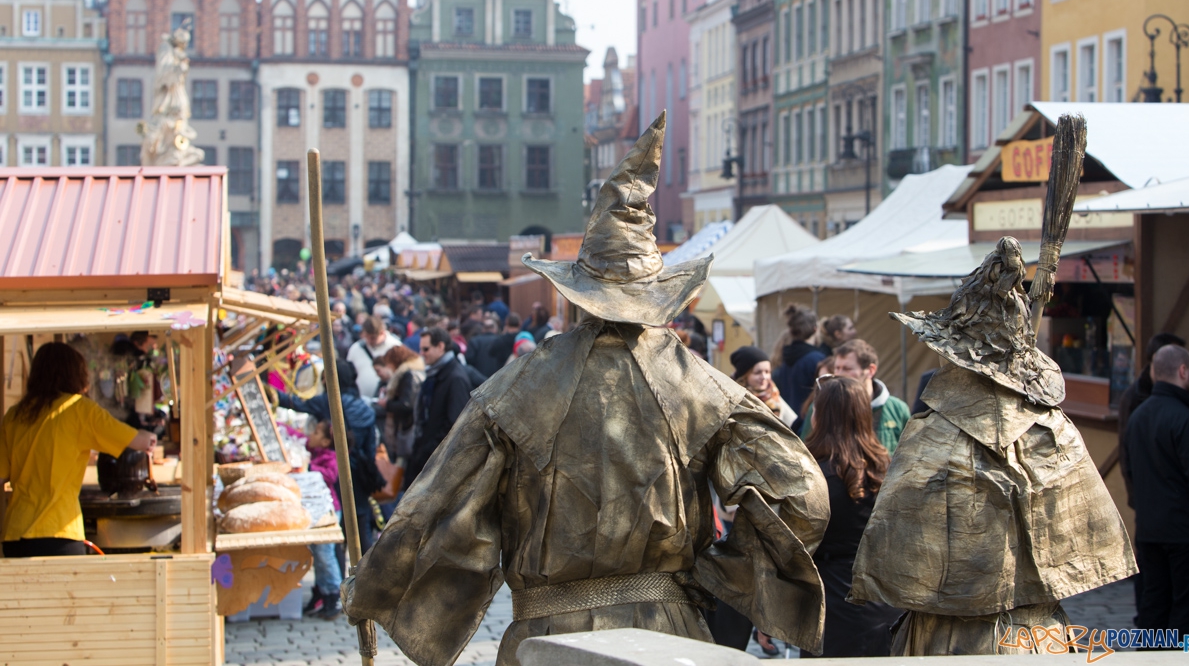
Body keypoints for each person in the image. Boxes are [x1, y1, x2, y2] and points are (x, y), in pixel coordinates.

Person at [344, 114, 830, 666]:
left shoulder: (515, 387)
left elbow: (434, 504)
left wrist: (374, 589)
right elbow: (805, 497)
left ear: (576, 293)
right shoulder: (702, 386)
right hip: (670, 632)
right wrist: (725, 572)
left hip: (547, 637)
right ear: (658, 295)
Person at [850, 237, 1136, 655]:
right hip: (1036, 638)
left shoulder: (931, 433)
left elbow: (895, 547)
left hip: (948, 640)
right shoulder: (1056, 428)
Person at [0, 342, 157, 557]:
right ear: (75, 374)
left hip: (15, 536)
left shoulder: (15, 415)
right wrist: (150, 437)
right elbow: (137, 441)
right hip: (59, 534)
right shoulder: (78, 409)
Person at [801, 376, 900, 656]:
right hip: (883, 600)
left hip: (829, 602)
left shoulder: (810, 475)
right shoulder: (888, 469)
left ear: (820, 415)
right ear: (863, 415)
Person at [1123, 344, 1189, 633]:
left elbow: (1129, 470)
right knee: (1187, 608)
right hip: (1186, 533)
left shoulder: (1138, 416)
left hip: (1149, 530)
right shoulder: (1187, 420)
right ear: (1183, 371)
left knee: (1152, 606)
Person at [276, 360, 380, 557]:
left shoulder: (328, 401)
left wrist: (271, 393)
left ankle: (339, 586)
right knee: (362, 528)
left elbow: (295, 403)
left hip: (337, 472)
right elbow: (370, 447)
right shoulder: (364, 407)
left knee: (336, 532)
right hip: (360, 475)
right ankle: (368, 580)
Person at [797, 339, 910, 453]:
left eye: (847, 369)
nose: (839, 375)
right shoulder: (821, 407)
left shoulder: (898, 409)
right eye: (837, 368)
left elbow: (908, 456)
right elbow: (806, 454)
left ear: (870, 370)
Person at [1118, 332, 1188, 509]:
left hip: (1179, 498)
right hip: (1149, 499)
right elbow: (1126, 452)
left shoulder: (1186, 389)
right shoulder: (1134, 398)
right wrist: (1137, 498)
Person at [406, 327, 472, 487]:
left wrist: (428, 452)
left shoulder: (455, 378)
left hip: (440, 464)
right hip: (429, 457)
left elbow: (455, 425)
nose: (422, 353)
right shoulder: (436, 374)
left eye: (426, 349)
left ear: (440, 347)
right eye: (421, 349)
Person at [304, 420, 343, 620]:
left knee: (325, 554)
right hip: (317, 511)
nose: (312, 434)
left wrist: (309, 466)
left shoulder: (329, 457)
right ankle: (322, 592)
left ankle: (336, 595)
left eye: (317, 432)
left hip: (328, 511)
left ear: (326, 441)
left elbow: (331, 475)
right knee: (319, 556)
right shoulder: (313, 450)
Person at [378, 345, 425, 462]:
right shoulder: (412, 372)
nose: (388, 367)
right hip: (408, 426)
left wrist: (387, 404)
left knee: (404, 463)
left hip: (407, 427)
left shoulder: (408, 375)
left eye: (389, 363)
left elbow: (406, 404)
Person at [731, 346, 797, 428]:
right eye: (758, 372)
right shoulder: (734, 399)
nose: (764, 377)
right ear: (744, 375)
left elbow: (793, 424)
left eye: (767, 372)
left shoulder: (773, 394)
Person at [772, 304, 820, 413]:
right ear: (815, 329)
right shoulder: (816, 359)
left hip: (788, 419)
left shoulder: (783, 357)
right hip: (806, 420)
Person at [347, 316, 401, 399]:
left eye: (373, 338)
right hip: (362, 401)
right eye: (366, 337)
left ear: (382, 333)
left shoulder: (395, 347)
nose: (369, 341)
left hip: (387, 402)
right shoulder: (356, 348)